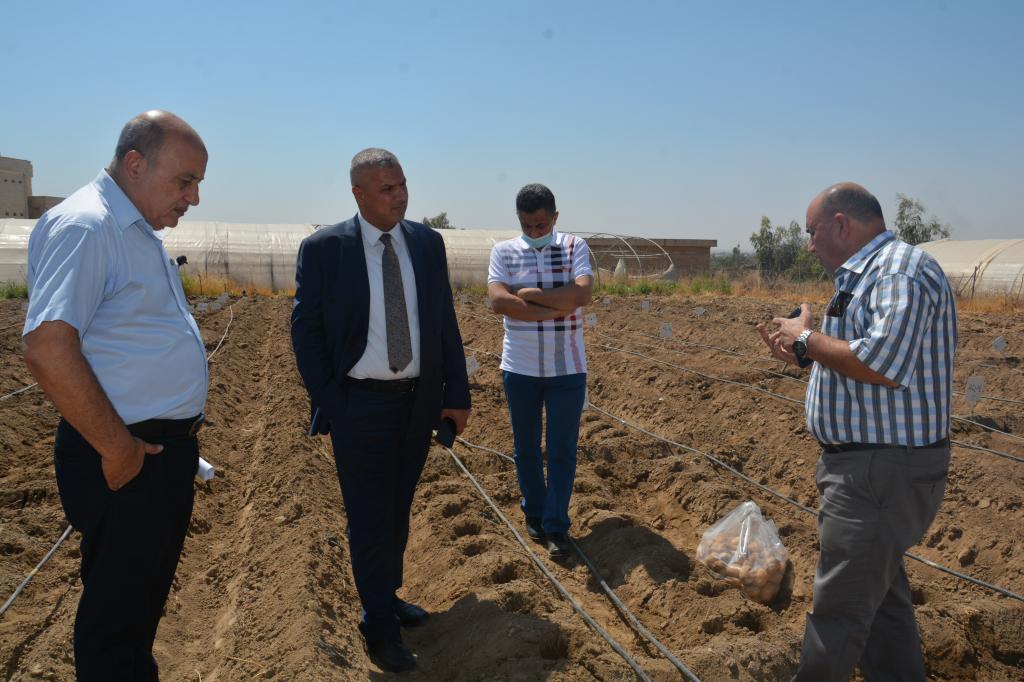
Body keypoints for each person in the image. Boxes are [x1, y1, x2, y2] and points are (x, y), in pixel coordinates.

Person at [22, 110, 209, 681]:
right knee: (116, 627)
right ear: (135, 164)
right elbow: (48, 347)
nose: (193, 198)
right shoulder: (88, 226)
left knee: (132, 614)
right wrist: (119, 449)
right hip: (126, 457)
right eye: (185, 181)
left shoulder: (134, 229)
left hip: (151, 453)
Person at [757, 182, 957, 681]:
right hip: (869, 469)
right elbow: (859, 358)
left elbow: (882, 362)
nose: (809, 245)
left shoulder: (898, 270)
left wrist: (806, 337)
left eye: (811, 232)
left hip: (880, 474)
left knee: (838, 617)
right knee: (883, 609)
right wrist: (804, 352)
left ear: (841, 224)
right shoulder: (868, 275)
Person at [291, 148, 471, 673]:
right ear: (359, 194)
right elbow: (306, 333)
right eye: (387, 189)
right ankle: (377, 625)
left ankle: (386, 594)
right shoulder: (326, 249)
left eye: (403, 185)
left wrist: (456, 394)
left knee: (397, 507)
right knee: (369, 516)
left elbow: (443, 322)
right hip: (359, 404)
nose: (400, 196)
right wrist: (334, 402)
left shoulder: (427, 243)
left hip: (417, 401)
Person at [487, 183, 593, 559]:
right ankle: (534, 510)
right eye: (527, 225)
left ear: (555, 218)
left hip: (567, 369)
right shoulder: (503, 252)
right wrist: (556, 306)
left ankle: (556, 524)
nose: (533, 232)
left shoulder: (574, 246)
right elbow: (498, 301)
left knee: (562, 449)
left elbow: (582, 294)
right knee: (526, 447)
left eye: (541, 225)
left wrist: (533, 297)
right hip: (520, 366)